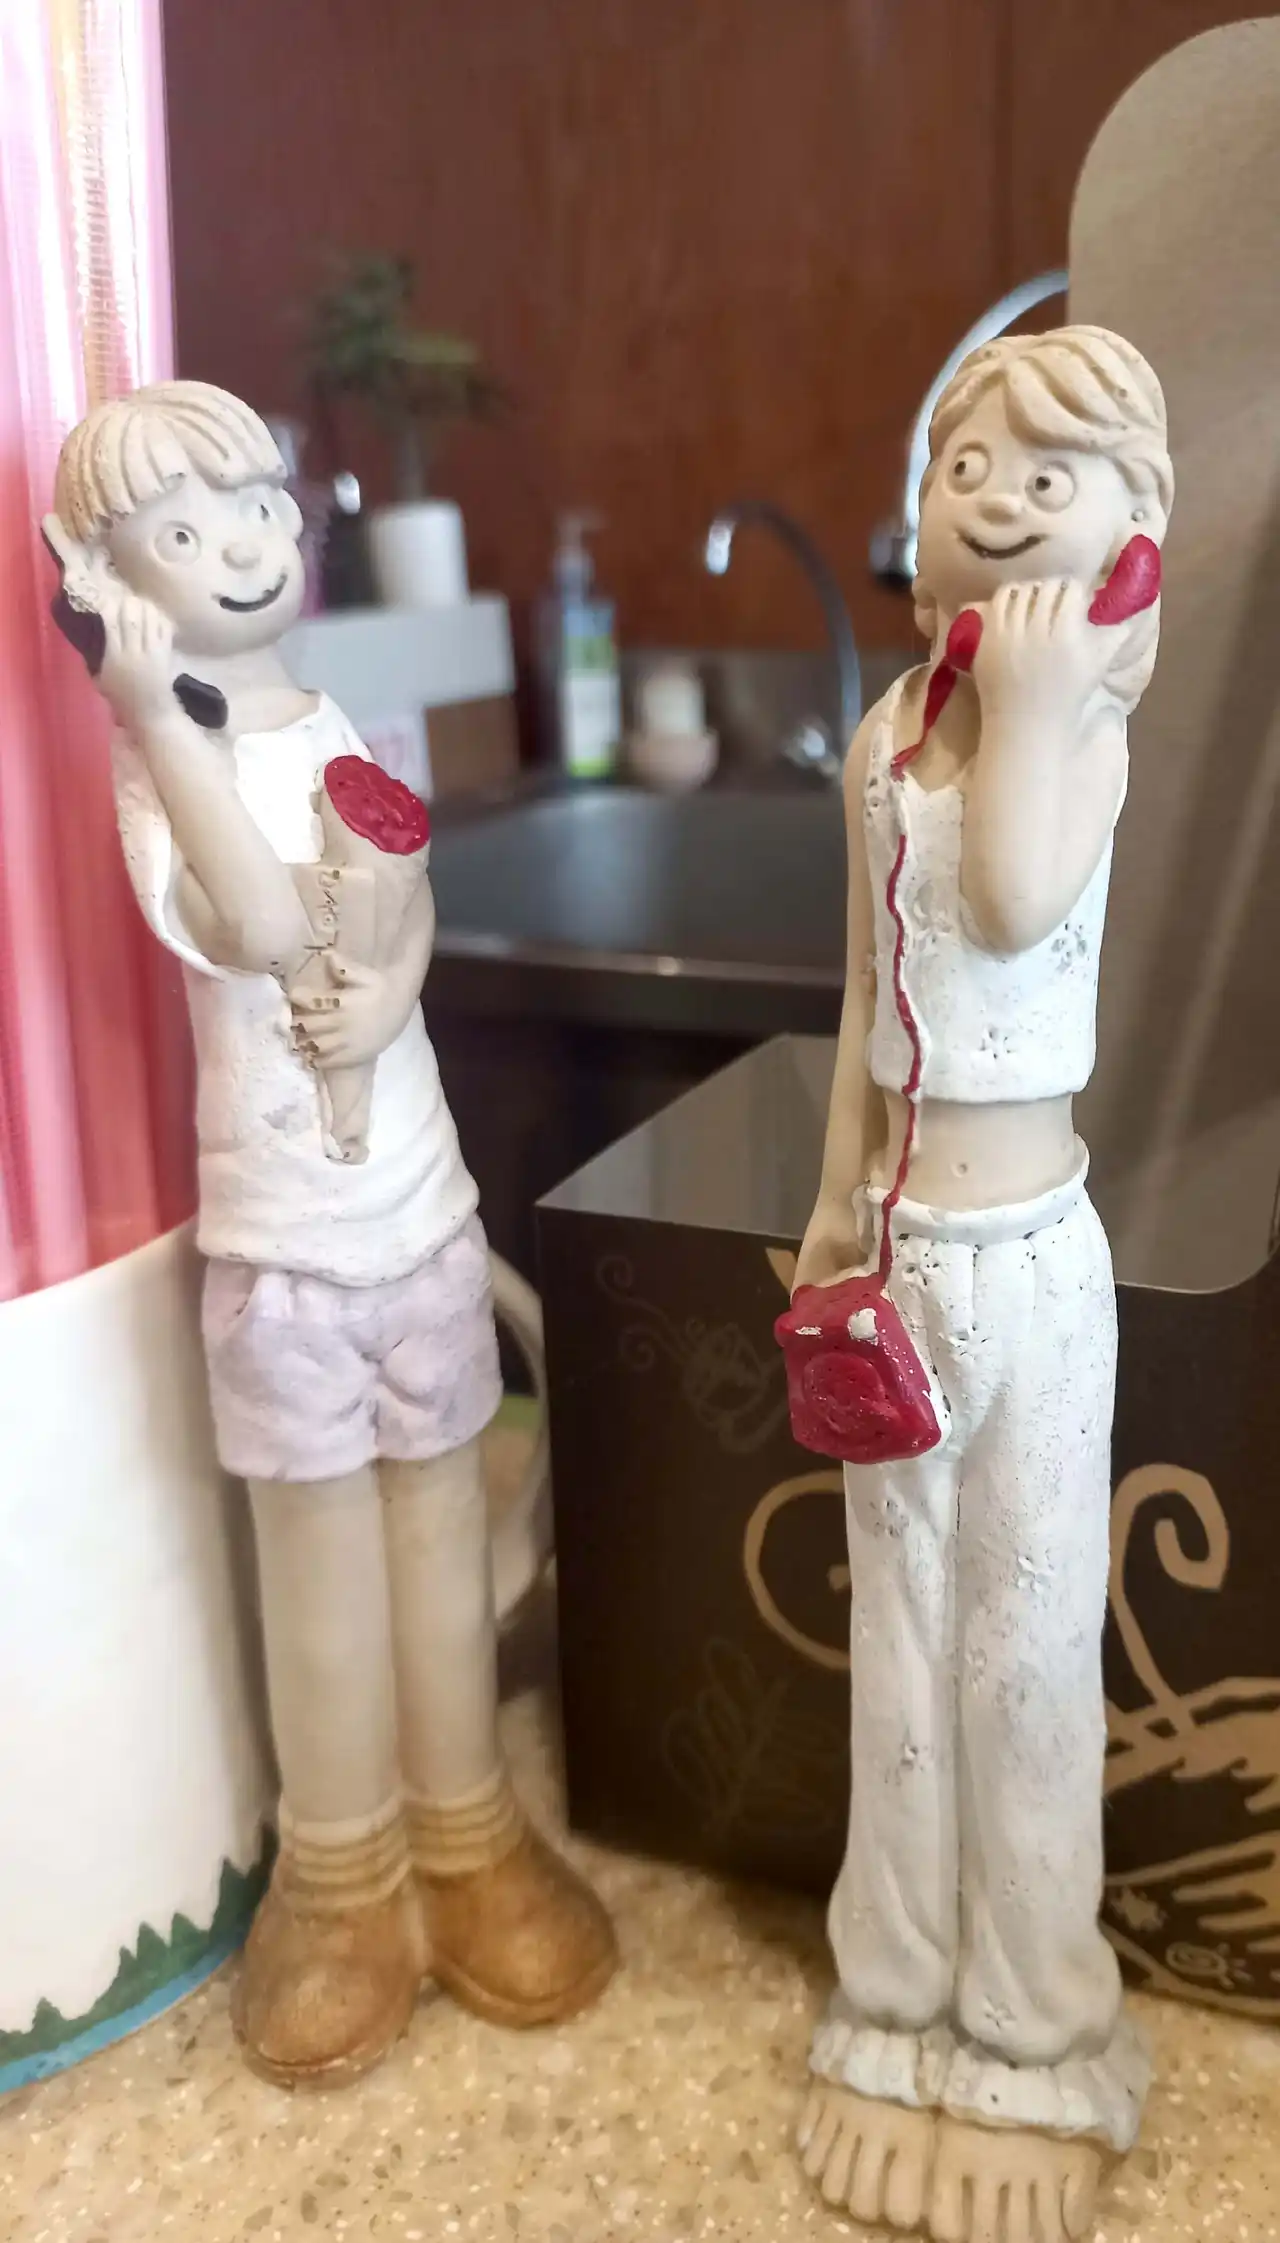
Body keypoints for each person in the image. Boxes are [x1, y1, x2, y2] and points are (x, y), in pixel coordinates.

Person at [47, 381, 616, 2088]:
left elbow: (399, 889)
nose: (246, 544)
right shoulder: (162, 766)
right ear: (108, 580)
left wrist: (389, 990)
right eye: (186, 528)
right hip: (287, 1248)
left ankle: (468, 1826)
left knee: (442, 1532)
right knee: (319, 1582)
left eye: (260, 507)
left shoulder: (332, 714)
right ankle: (345, 1871)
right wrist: (153, 711)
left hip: (417, 1211)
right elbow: (248, 917)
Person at [793, 328, 1173, 2243]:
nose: (1006, 501)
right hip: (901, 1250)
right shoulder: (888, 736)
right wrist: (827, 1210)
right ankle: (896, 1997)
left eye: (1054, 474)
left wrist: (1033, 698)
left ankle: (1032, 2031)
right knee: (902, 1643)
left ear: (1134, 537)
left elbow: (1017, 902)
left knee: (1023, 1656)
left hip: (1029, 1268)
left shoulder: (1077, 729)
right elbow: (871, 991)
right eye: (972, 469)